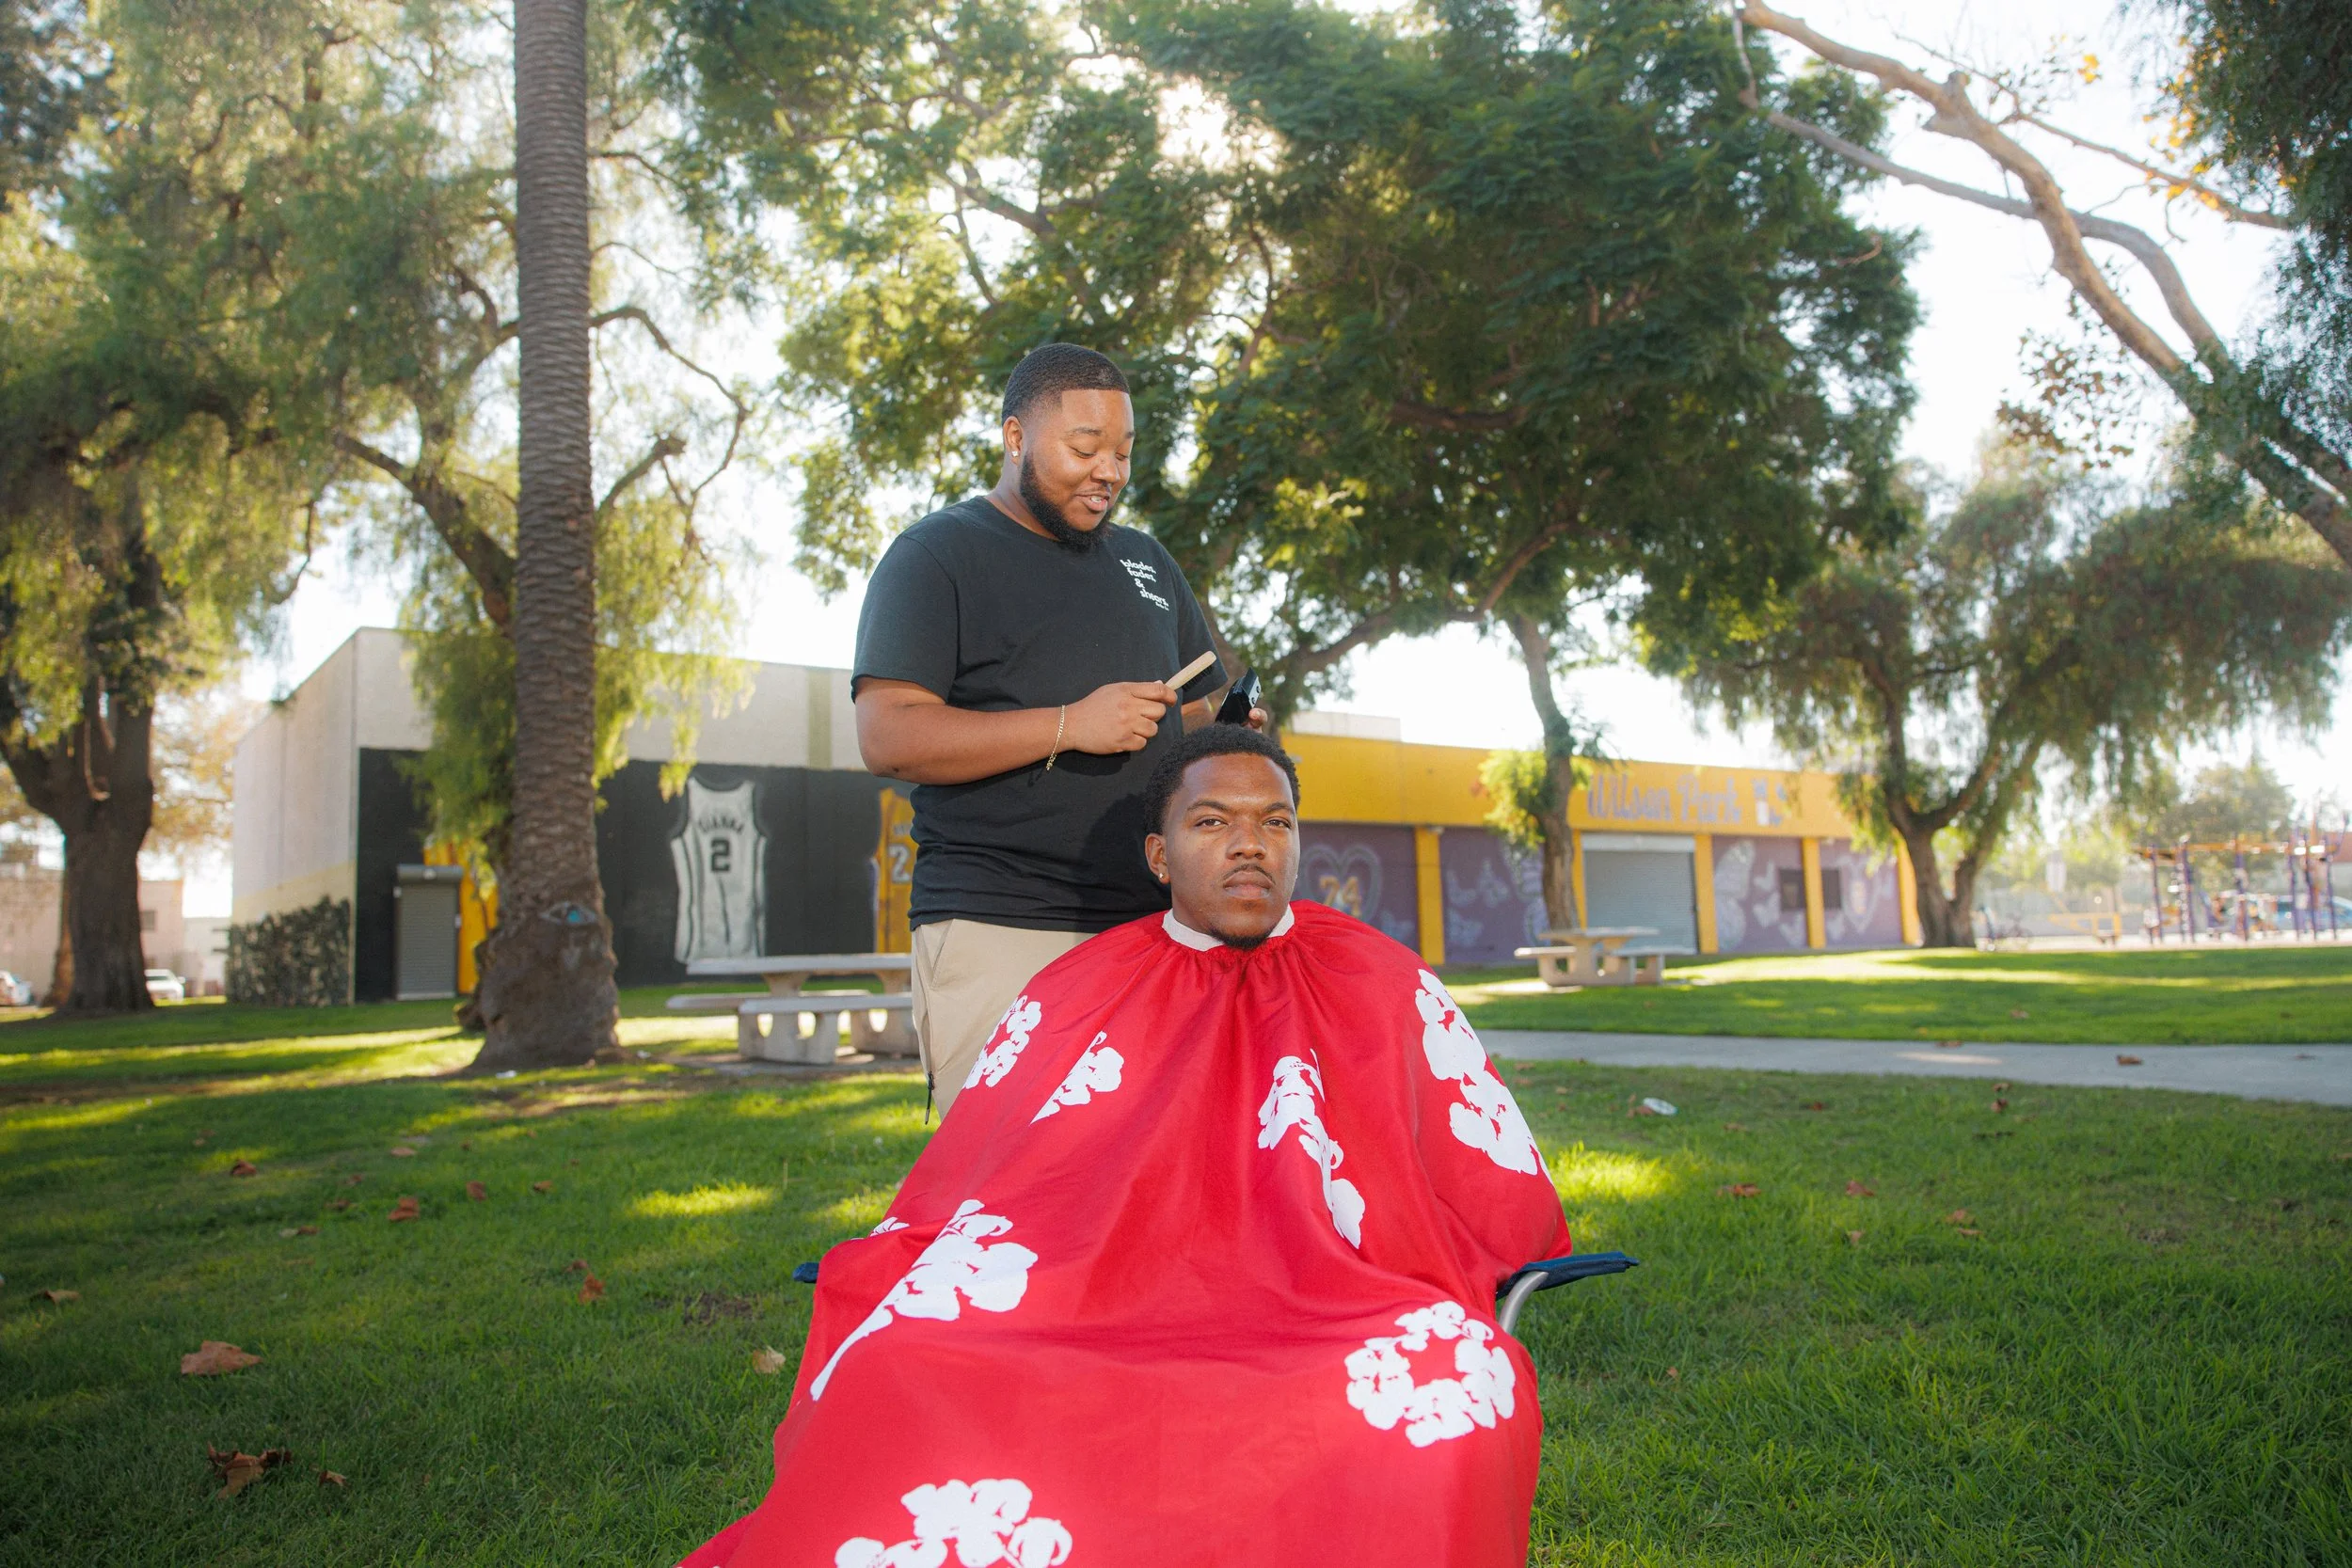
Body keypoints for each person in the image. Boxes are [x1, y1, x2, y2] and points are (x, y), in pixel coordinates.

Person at [676, 725, 1574, 1568]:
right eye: (1213, 821)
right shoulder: (1079, 988)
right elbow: (985, 1176)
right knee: (898, 1361)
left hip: (1336, 1307)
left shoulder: (1383, 979)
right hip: (1083, 1300)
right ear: (1159, 854)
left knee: (1461, 1375)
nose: (1250, 844)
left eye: (1275, 822)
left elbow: (1485, 1179)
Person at [853, 343, 1263, 1114]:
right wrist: (1072, 724)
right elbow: (889, 735)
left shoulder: (1147, 563)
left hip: (1154, 929)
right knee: (1007, 1174)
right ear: (1016, 438)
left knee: (1152, 1170)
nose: (1109, 470)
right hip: (1002, 925)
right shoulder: (936, 556)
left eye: (1124, 451)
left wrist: (1228, 734)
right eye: (1084, 448)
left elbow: (1189, 717)